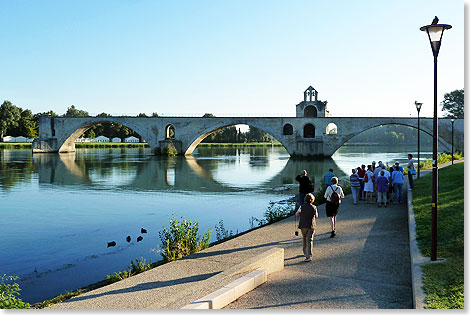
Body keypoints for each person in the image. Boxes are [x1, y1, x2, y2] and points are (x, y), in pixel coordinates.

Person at [295, 193, 318, 262]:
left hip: (303, 225)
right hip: (311, 225)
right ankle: (309, 256)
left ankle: (305, 252)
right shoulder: (314, 207)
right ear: (312, 200)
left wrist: (300, 214)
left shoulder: (302, 206)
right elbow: (316, 215)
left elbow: (296, 214)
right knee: (309, 240)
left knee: (304, 238)